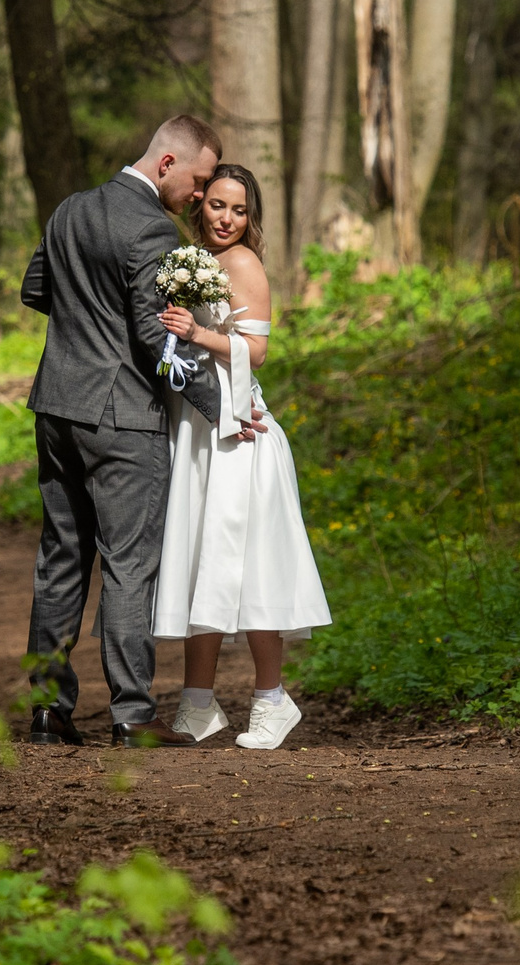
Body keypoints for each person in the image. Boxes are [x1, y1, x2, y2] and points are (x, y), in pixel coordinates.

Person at [17, 116, 252, 747]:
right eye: (200, 183)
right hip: (122, 419)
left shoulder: (70, 209)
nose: (201, 198)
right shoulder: (150, 227)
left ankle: (47, 710)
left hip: (57, 408)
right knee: (128, 567)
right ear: (168, 163)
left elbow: (35, 288)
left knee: (61, 559)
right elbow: (156, 338)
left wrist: (85, 319)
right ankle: (131, 715)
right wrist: (225, 408)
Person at [153, 164, 330, 749]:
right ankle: (198, 703)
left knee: (251, 564)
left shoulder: (245, 265)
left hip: (238, 432)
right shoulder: (187, 258)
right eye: (218, 206)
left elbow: (257, 351)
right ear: (199, 205)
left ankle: (272, 700)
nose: (226, 219)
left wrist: (197, 334)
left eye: (240, 210)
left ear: (251, 218)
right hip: (197, 429)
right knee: (201, 559)